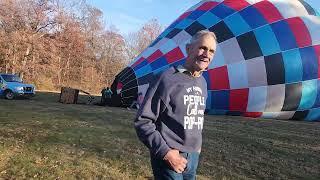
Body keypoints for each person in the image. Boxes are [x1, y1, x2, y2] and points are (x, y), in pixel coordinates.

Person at [134, 30, 217, 180]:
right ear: (188, 49)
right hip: (169, 156)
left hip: (192, 158)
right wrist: (166, 153)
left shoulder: (203, 82)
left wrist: (196, 148)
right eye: (203, 48)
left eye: (211, 51)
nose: (207, 54)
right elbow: (143, 121)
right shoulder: (167, 78)